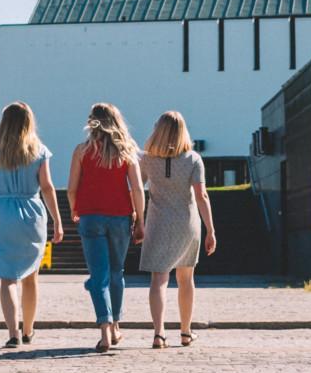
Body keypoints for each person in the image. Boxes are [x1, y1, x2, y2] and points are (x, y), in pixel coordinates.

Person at [0, 101, 62, 348]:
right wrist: (58, 220)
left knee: (8, 279)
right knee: (30, 277)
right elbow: (47, 187)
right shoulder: (38, 150)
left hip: (4, 213)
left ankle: (13, 333)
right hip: (32, 213)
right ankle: (28, 329)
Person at [67, 103, 145, 353]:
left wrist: (73, 208)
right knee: (116, 272)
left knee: (98, 275)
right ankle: (116, 326)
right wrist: (141, 219)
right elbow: (137, 190)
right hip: (120, 217)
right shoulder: (127, 151)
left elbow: (72, 188)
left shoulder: (82, 151)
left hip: (90, 216)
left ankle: (105, 331)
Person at [140, 110, 215, 348]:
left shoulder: (147, 159)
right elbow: (201, 195)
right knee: (186, 279)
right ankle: (185, 331)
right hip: (187, 223)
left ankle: (159, 334)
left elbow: (136, 188)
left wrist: (136, 219)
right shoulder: (193, 159)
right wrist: (211, 229)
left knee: (158, 280)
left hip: (158, 222)